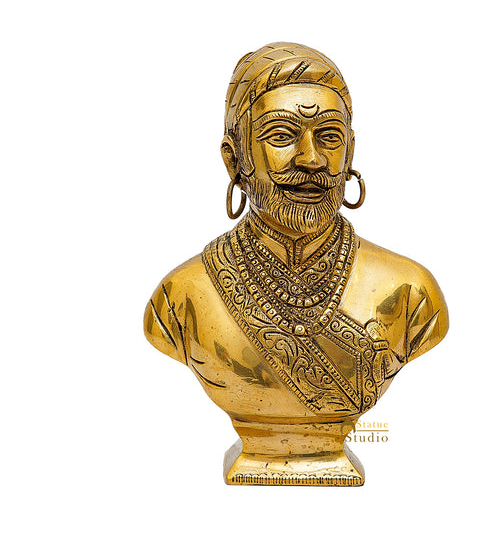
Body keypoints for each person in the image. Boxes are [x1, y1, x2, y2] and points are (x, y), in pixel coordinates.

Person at [144, 42, 448, 485]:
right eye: (282, 136)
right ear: (234, 159)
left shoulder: (411, 294)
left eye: (329, 137)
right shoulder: (181, 298)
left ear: (350, 153)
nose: (311, 159)